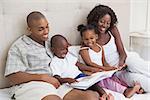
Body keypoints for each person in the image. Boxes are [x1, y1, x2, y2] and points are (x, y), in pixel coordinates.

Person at [4, 11, 100, 100]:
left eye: (47, 27)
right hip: (33, 85)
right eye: (41, 29)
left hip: (58, 83)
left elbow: (70, 54)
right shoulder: (19, 47)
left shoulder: (52, 43)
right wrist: (42, 77)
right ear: (29, 29)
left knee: (91, 97)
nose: (46, 32)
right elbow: (12, 76)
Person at [86, 4, 148, 92]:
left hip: (126, 60)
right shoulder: (90, 37)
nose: (104, 25)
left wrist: (121, 63)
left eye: (108, 23)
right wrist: (116, 69)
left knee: (134, 64)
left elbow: (122, 52)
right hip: (117, 72)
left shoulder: (112, 30)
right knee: (142, 82)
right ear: (95, 20)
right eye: (102, 21)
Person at [77, 24, 142, 98]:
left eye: (91, 38)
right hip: (93, 73)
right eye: (86, 39)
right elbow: (89, 63)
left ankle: (130, 88)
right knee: (106, 82)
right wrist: (103, 69)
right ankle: (125, 92)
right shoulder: (84, 50)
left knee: (114, 77)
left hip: (101, 71)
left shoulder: (99, 47)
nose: (89, 41)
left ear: (96, 37)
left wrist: (111, 68)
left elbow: (104, 61)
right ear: (82, 39)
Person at [50, 34, 114, 100]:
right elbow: (56, 77)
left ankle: (104, 95)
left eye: (66, 48)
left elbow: (78, 64)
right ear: (53, 49)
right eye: (62, 49)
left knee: (93, 84)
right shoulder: (55, 62)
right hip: (71, 82)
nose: (66, 51)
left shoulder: (68, 55)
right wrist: (66, 80)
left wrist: (93, 69)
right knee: (84, 89)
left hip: (81, 76)